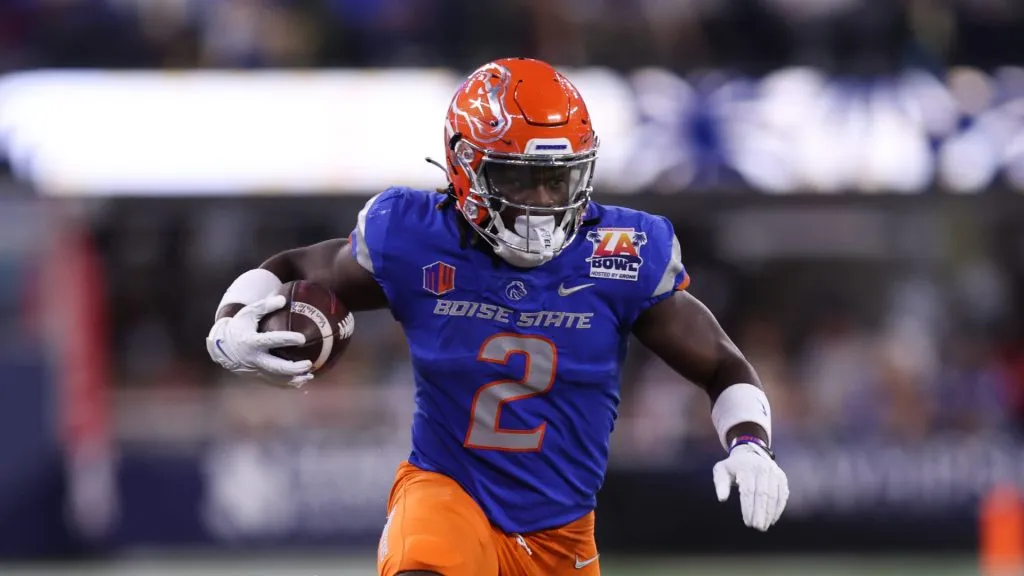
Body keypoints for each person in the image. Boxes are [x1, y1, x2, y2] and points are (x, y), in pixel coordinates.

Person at [206, 57, 789, 576]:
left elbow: (720, 364)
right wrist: (230, 323)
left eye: (557, 179)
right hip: (448, 494)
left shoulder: (621, 253)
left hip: (563, 531)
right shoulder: (414, 237)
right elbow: (294, 266)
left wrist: (749, 442)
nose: (543, 202)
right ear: (465, 165)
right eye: (519, 178)